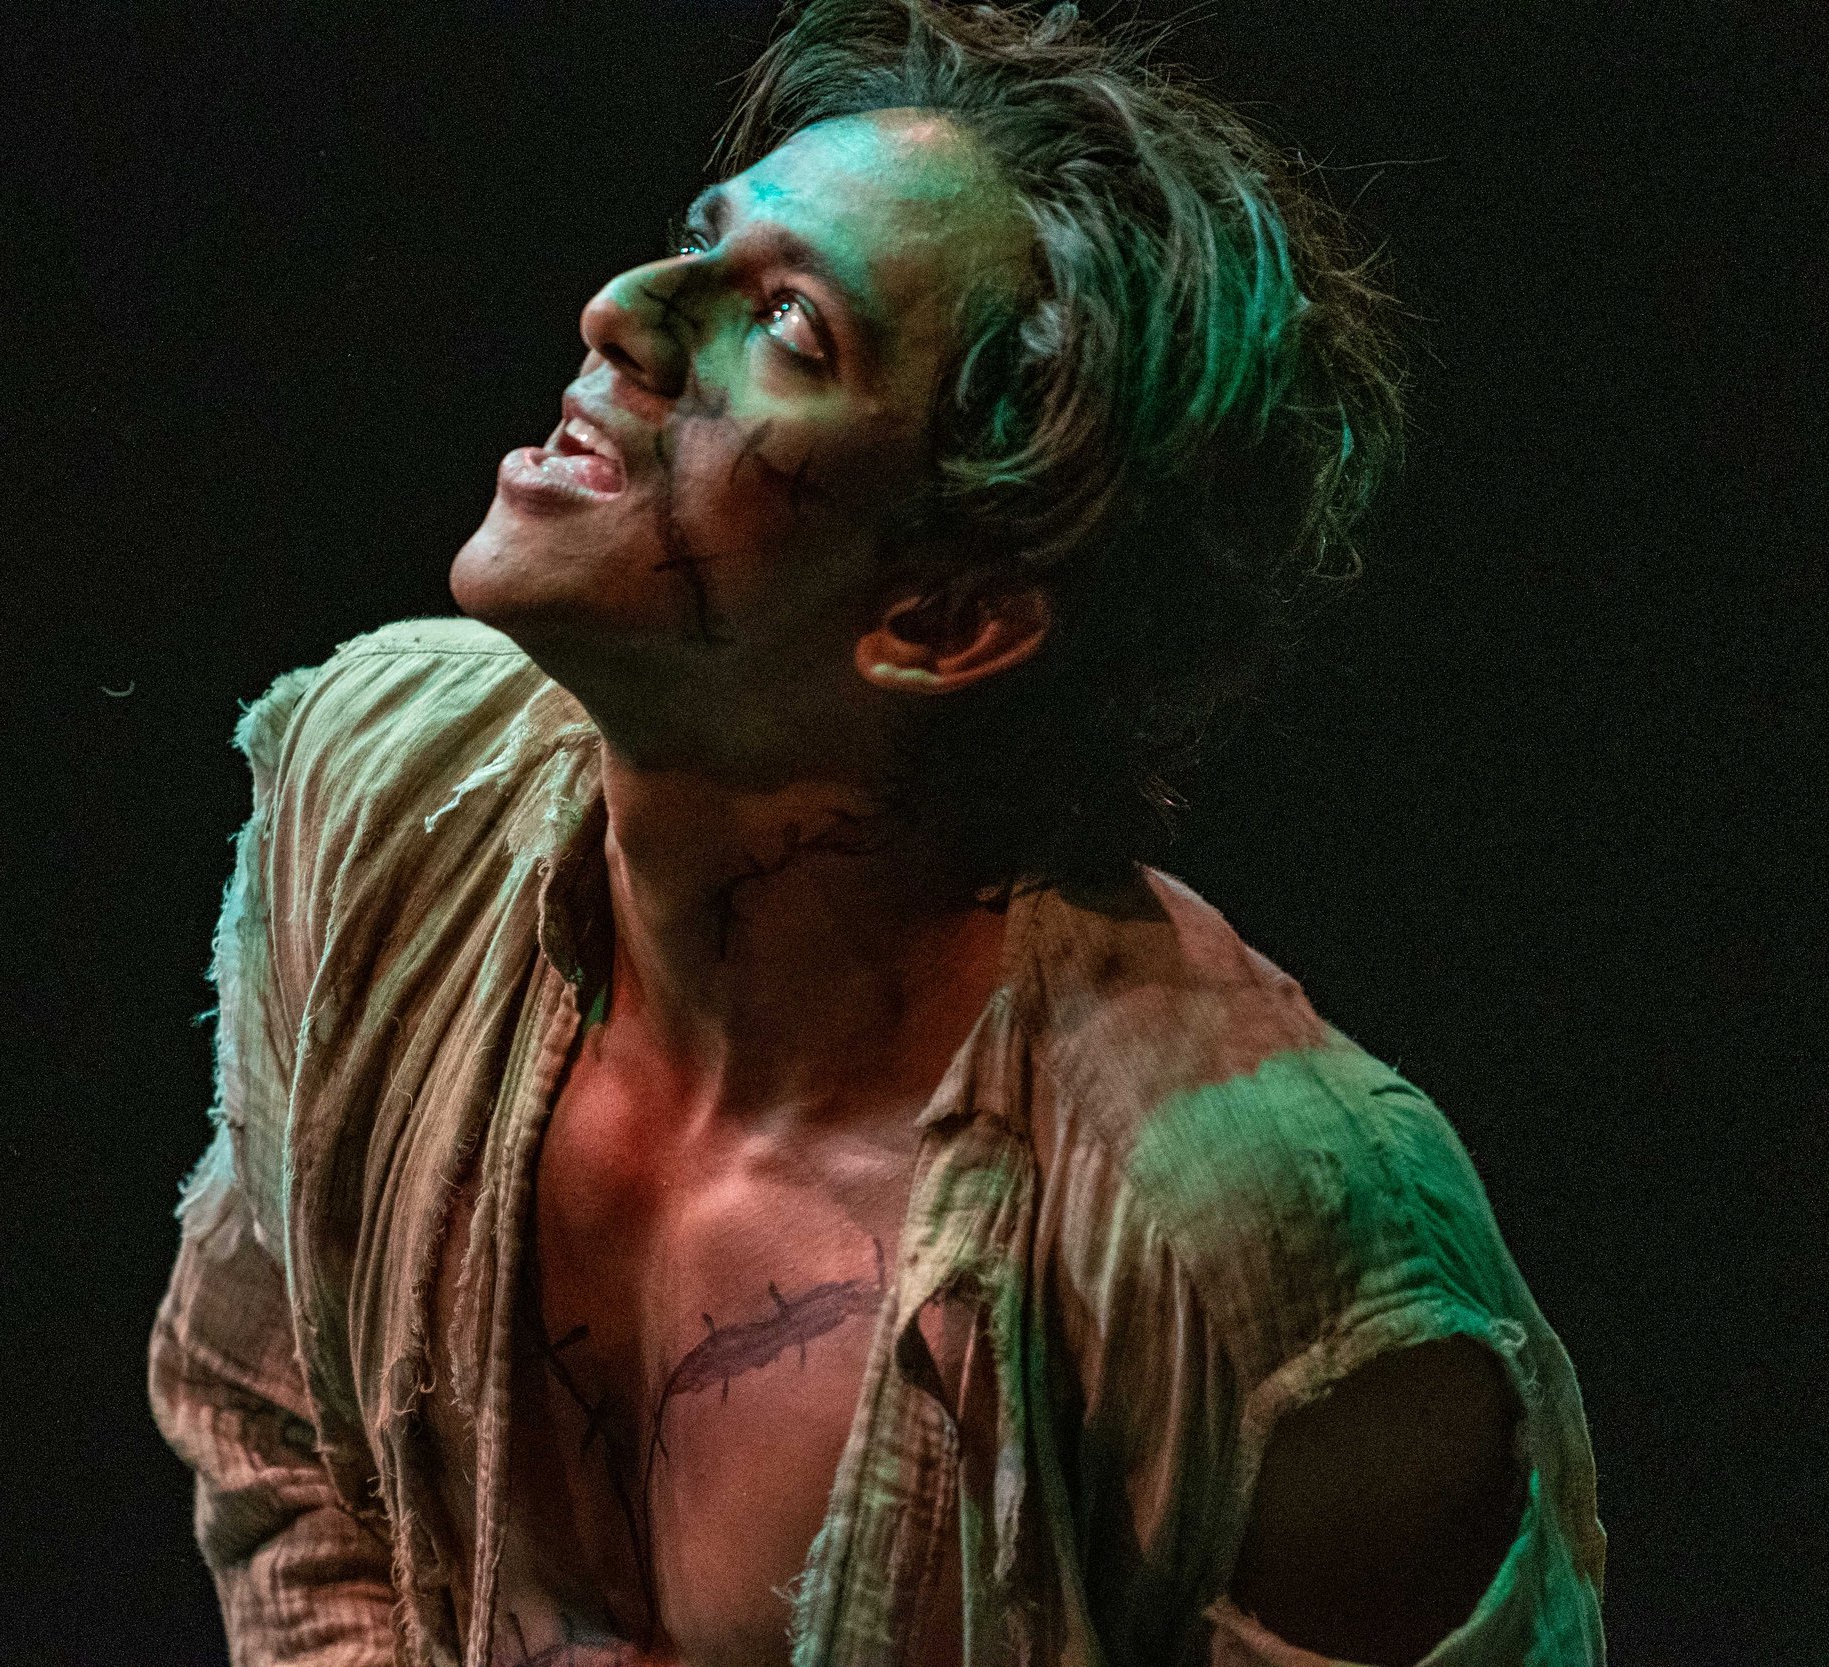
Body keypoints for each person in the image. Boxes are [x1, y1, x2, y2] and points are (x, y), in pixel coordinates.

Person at [149, 2, 1607, 1662]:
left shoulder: (1253, 1243)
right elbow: (279, 1434)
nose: (619, 315)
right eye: (696, 249)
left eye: (786, 323)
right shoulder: (390, 793)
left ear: (943, 617)